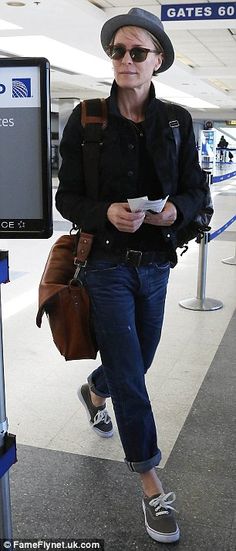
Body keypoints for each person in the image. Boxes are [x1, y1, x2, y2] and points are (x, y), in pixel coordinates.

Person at [56, 7, 208, 544]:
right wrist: (105, 214)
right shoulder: (88, 117)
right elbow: (66, 196)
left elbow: (197, 191)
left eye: (137, 51)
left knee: (137, 360)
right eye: (118, 51)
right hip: (105, 266)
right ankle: (151, 483)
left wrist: (174, 213)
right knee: (132, 373)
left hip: (157, 264)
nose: (126, 60)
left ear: (157, 60)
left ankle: (96, 393)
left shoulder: (177, 121)